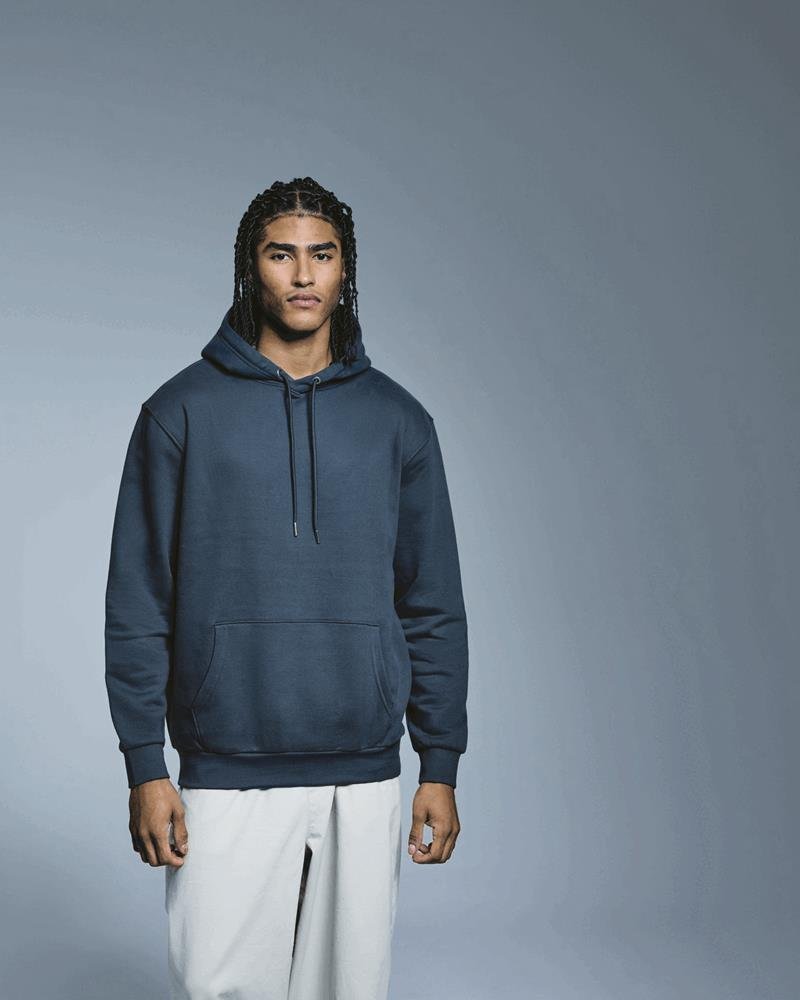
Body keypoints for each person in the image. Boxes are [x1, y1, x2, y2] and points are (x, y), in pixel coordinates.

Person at [104, 176, 469, 1000]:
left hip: (364, 771)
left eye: (322, 254)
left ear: (345, 270)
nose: (303, 274)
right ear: (251, 268)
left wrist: (439, 763)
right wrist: (144, 767)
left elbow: (433, 605)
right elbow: (137, 602)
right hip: (225, 766)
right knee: (221, 987)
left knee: (349, 993)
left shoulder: (398, 421)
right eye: (282, 254)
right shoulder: (180, 412)